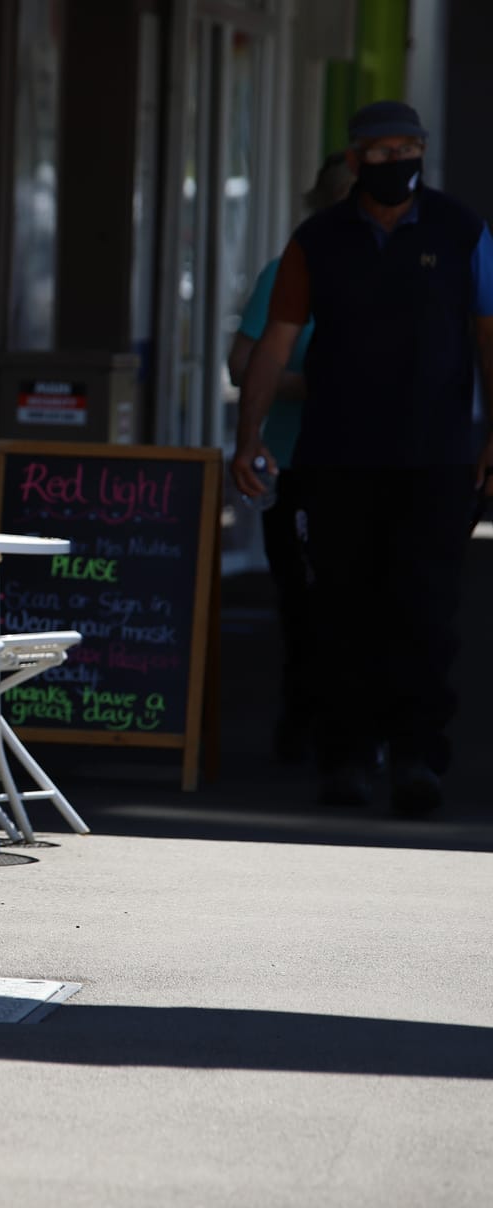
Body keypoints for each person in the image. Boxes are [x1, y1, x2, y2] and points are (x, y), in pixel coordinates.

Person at [231, 100, 493, 815]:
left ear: (424, 153)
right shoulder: (316, 241)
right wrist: (248, 437)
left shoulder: (462, 231)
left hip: (435, 457)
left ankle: (417, 760)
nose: (395, 162)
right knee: (341, 612)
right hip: (338, 456)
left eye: (408, 148)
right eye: (380, 152)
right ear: (353, 161)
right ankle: (345, 757)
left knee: (426, 613)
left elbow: (488, 337)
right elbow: (274, 345)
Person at [227, 152, 355, 765]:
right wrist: (310, 382)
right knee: (302, 598)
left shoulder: (398, 276)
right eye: (345, 198)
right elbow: (241, 364)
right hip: (293, 460)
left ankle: (357, 725)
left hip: (372, 463)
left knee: (369, 597)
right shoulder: (288, 270)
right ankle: (303, 716)